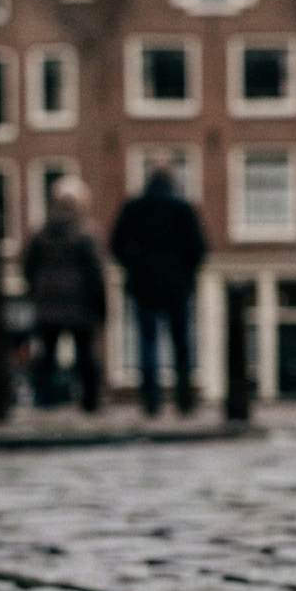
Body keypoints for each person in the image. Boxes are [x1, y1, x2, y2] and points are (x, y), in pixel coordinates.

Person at [109, 166, 207, 416]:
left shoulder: (134, 208)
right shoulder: (183, 209)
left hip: (144, 286)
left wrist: (134, 266)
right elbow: (199, 247)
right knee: (181, 344)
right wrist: (185, 272)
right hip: (177, 287)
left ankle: (151, 402)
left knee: (147, 342)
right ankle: (184, 402)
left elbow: (116, 244)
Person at [21, 177, 107, 413]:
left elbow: (28, 267)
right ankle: (90, 402)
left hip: (48, 304)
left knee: (47, 353)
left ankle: (44, 400)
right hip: (80, 304)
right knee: (85, 353)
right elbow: (96, 274)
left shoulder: (41, 234)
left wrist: (38, 290)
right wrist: (101, 307)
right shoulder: (87, 234)